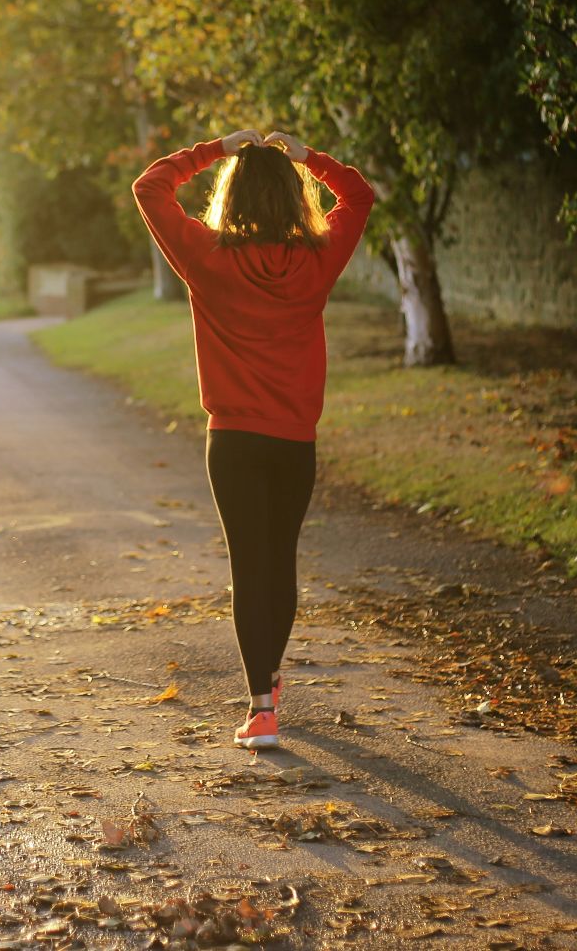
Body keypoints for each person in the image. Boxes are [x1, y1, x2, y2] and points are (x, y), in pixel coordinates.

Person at [132, 129, 375, 749]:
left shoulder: (206, 256)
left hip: (233, 440)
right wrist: (308, 158)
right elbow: (360, 194)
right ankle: (267, 679)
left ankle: (261, 706)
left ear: (231, 197)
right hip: (294, 440)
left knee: (249, 565)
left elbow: (150, 187)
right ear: (295, 199)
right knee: (280, 561)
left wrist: (216, 148)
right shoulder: (318, 258)